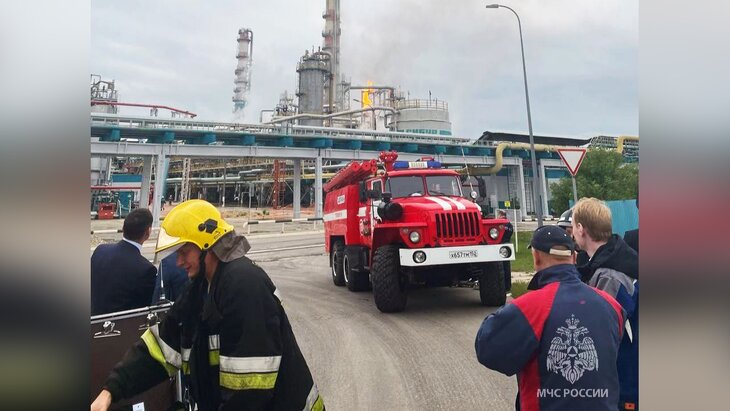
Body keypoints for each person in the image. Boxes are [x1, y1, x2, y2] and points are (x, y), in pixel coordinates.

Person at [91, 200, 324, 411]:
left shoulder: (244, 286)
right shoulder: (201, 289)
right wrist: (110, 391)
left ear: (206, 246)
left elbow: (248, 393)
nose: (179, 262)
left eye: (184, 252)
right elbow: (161, 347)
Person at [475, 225, 625, 411]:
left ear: (536, 257)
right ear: (574, 258)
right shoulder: (612, 305)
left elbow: (488, 350)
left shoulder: (527, 308)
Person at [572, 198, 639, 411]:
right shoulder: (608, 261)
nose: (572, 232)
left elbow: (600, 335)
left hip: (626, 380)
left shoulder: (610, 276)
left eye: (572, 226)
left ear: (581, 228)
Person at [91, 208, 157, 316]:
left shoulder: (100, 250)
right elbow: (144, 310)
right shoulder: (146, 269)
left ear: (123, 228)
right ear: (147, 233)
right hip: (121, 325)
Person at [497, 210, 514, 292]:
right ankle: (508, 286)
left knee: (500, 267)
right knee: (507, 267)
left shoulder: (500, 224)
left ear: (500, 215)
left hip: (500, 246)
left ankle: (502, 285)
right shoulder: (509, 225)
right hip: (507, 245)